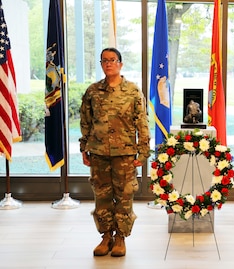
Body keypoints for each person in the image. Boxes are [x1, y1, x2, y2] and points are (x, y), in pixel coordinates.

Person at [79, 47, 151, 257]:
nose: (108, 63)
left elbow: (142, 122)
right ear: (101, 64)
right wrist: (84, 148)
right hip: (99, 153)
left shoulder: (132, 91)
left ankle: (120, 236)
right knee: (101, 196)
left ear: (120, 63)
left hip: (125, 154)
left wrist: (143, 150)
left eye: (112, 60)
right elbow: (85, 122)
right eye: (104, 60)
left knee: (124, 196)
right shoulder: (92, 91)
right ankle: (105, 236)